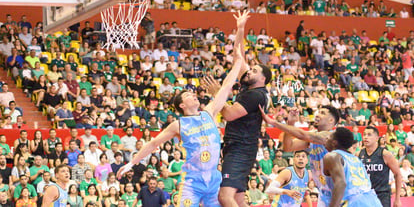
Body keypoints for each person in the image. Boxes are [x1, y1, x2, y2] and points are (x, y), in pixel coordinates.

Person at [117, 45, 243, 206]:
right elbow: (153, 143)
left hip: (214, 179)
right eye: (188, 95)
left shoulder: (209, 112)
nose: (193, 95)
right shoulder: (178, 124)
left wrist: (238, 61)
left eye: (193, 93)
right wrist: (131, 163)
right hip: (192, 182)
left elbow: (226, 87)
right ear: (182, 105)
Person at [217, 11, 271, 207]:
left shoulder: (255, 95)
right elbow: (237, 56)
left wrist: (219, 95)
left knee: (224, 197)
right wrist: (240, 29)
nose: (250, 71)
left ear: (263, 79)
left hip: (241, 148)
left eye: (254, 70)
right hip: (240, 147)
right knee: (238, 199)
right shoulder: (253, 87)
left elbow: (230, 114)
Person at [260, 106, 340, 207]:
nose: (317, 115)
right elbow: (288, 147)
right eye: (318, 112)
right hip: (324, 192)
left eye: (322, 113)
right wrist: (291, 123)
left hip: (339, 191)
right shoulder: (312, 138)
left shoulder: (331, 136)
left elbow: (303, 135)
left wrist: (274, 122)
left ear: (331, 120)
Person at [323, 127, 382, 207]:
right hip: (373, 201)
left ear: (334, 142)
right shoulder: (355, 158)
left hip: (354, 203)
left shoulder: (332, 156)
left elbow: (341, 183)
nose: (326, 138)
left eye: (329, 136)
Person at [359, 126, 402, 207]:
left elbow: (398, 174)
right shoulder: (359, 154)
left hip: (381, 195)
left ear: (376, 138)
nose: (365, 137)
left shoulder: (385, 154)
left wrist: (397, 199)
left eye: (369, 135)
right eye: (364, 134)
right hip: (365, 195)